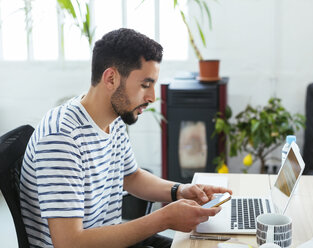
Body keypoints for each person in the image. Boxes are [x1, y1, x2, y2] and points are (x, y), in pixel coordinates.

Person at [19, 28, 232, 248]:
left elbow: (131, 177)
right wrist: (164, 218)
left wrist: (179, 190)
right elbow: (69, 243)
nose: (152, 97)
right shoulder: (62, 137)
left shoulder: (113, 119)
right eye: (144, 85)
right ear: (111, 78)